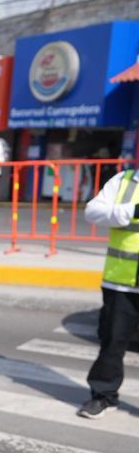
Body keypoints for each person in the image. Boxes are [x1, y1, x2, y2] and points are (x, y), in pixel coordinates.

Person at [78, 164, 139, 418]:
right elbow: (93, 212)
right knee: (113, 339)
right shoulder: (124, 181)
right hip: (122, 278)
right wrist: (130, 211)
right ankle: (103, 395)